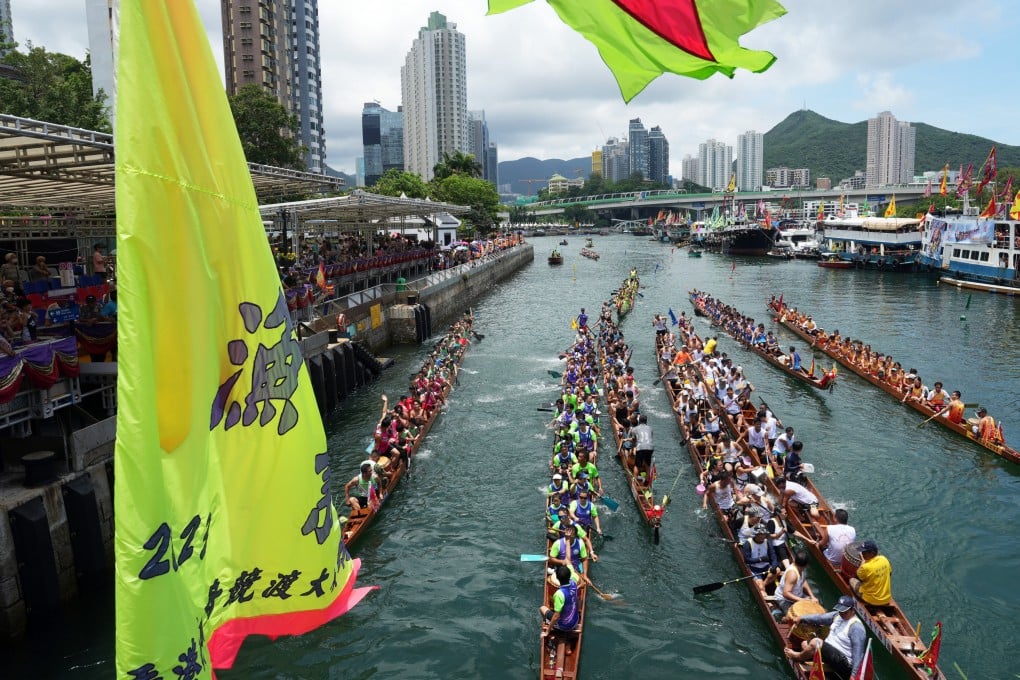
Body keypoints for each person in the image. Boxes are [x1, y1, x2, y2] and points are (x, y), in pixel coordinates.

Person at [785, 595, 867, 680]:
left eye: (845, 612)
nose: (842, 613)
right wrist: (802, 618)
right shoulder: (837, 615)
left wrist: (853, 676)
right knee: (804, 643)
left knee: (816, 642)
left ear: (853, 610)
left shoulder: (856, 628)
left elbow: (858, 654)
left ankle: (797, 656)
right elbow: (819, 618)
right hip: (831, 654)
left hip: (844, 663)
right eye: (840, 611)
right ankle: (822, 667)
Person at [774, 549, 817, 615]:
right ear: (806, 565)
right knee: (794, 617)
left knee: (815, 606)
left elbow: (803, 581)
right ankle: (783, 618)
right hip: (785, 600)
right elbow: (786, 594)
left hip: (798, 596)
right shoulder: (792, 575)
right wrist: (803, 600)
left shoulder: (801, 569)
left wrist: (812, 596)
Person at [849, 540, 892, 606]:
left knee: (851, 580)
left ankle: (858, 599)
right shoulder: (884, 559)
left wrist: (863, 561)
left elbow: (856, 577)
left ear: (871, 553)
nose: (862, 554)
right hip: (886, 599)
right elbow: (890, 574)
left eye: (864, 552)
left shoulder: (865, 567)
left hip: (870, 600)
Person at [740, 525, 780, 594]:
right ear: (756, 534)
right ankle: (762, 590)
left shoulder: (767, 542)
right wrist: (761, 559)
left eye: (764, 534)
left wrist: (774, 566)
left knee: (777, 570)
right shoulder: (748, 543)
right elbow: (747, 560)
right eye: (761, 534)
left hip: (766, 567)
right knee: (761, 589)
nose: (763, 536)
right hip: (754, 569)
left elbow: (773, 556)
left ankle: (763, 584)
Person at [540, 565, 580, 632]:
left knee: (542, 608)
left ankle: (551, 626)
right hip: (575, 621)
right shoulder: (574, 583)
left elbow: (556, 616)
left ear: (557, 578)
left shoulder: (559, 594)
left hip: (565, 626)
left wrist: (547, 632)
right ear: (569, 575)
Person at [630, 414, 654, 481]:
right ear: (646, 421)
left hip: (640, 447)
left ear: (639, 421)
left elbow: (633, 441)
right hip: (650, 448)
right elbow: (650, 439)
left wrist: (632, 450)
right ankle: (647, 480)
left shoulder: (634, 429)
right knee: (647, 464)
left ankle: (635, 480)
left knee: (637, 465)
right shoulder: (650, 428)